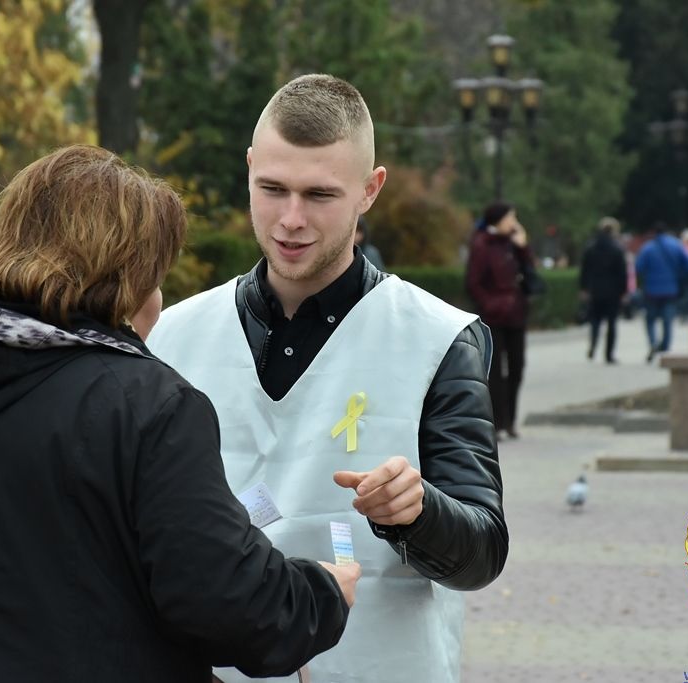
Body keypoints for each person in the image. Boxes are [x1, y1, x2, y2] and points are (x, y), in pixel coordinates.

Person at [0, 145, 360, 683]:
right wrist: (321, 594)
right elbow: (232, 610)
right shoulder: (148, 406)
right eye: (156, 278)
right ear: (127, 281)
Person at [147, 74, 507, 683]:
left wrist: (419, 513)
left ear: (370, 190)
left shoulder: (439, 338)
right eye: (272, 189)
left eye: (319, 195)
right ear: (249, 169)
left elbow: (483, 554)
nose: (291, 219)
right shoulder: (170, 335)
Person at [466, 201, 534, 439]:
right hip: (493, 318)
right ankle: (497, 423)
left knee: (517, 368)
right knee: (494, 373)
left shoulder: (512, 244)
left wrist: (523, 247)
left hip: (516, 315)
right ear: (499, 219)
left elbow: (530, 274)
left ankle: (511, 420)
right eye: (510, 218)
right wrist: (490, 304)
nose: (514, 223)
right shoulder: (482, 244)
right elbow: (473, 282)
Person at [634, 222, 688, 362]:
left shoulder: (648, 248)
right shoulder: (676, 245)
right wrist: (681, 276)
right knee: (667, 321)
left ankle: (653, 343)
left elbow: (638, 267)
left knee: (650, 319)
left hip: (651, 290)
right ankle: (665, 348)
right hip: (670, 289)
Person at [579, 216, 628, 364]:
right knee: (611, 323)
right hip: (613, 291)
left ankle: (593, 345)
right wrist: (623, 291)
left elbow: (584, 270)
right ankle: (609, 354)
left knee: (595, 320)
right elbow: (622, 273)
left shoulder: (591, 247)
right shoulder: (617, 249)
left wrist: (584, 288)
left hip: (595, 289)